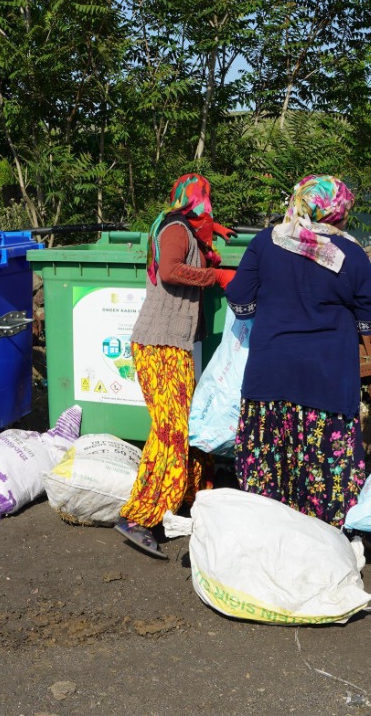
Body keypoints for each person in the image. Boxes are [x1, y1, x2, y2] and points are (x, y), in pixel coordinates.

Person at [223, 175, 371, 528]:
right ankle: (321, 548)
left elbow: (240, 299)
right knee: (323, 475)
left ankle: (267, 545)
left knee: (269, 469)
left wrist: (272, 309)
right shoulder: (349, 254)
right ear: (339, 212)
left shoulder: (265, 242)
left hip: (269, 376)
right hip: (326, 382)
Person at [116, 174, 235, 558]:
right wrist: (217, 275)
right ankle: (139, 516)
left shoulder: (184, 228)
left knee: (188, 424)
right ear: (197, 200)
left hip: (171, 345)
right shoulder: (176, 230)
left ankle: (193, 497)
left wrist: (210, 231)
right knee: (170, 431)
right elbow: (169, 270)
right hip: (158, 344)